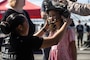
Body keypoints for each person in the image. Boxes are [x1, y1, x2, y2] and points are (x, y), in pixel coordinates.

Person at [0, 13, 71, 60]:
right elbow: (55, 40)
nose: (29, 25)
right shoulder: (25, 42)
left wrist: (45, 28)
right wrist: (66, 24)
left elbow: (31, 40)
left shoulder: (6, 40)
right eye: (27, 22)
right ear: (20, 27)